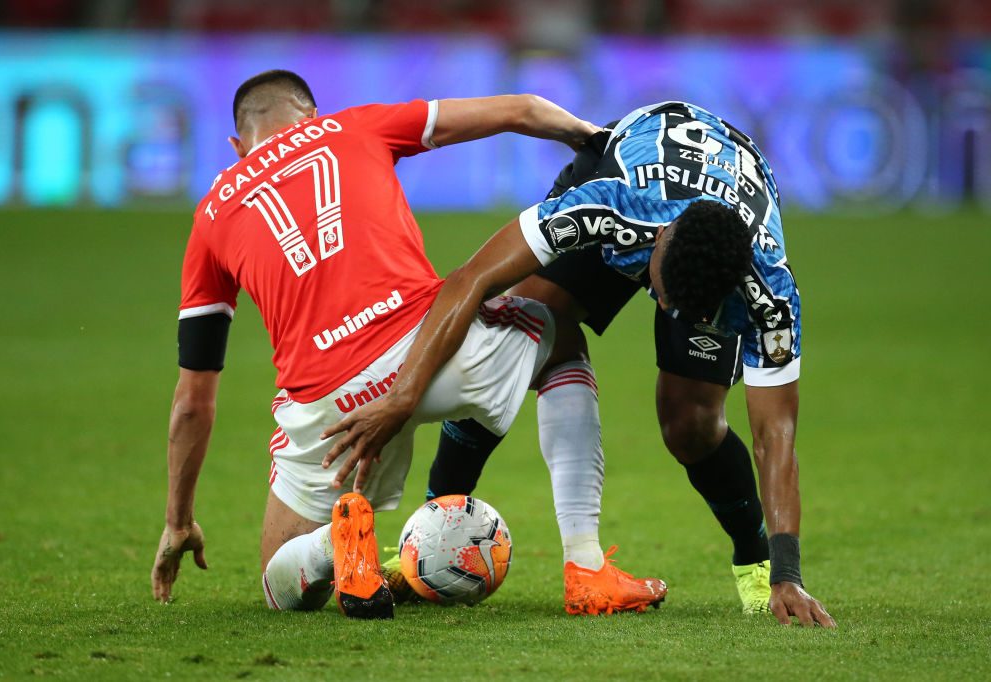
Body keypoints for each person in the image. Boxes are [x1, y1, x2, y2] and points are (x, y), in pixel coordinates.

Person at [149, 69, 665, 619]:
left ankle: (334, 543)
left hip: (329, 409)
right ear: (312, 116)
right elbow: (522, 108)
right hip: (437, 351)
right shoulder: (355, 126)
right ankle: (585, 566)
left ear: (236, 145)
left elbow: (192, 401)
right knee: (561, 339)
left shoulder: (210, 215)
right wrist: (589, 137)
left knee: (282, 584)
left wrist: (178, 520)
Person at [322, 101, 837, 628]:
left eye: (687, 311)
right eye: (664, 294)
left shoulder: (768, 291)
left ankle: (756, 564)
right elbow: (470, 282)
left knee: (691, 425)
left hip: (723, 212)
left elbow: (775, 433)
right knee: (514, 335)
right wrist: (403, 394)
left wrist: (788, 572)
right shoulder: (606, 205)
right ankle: (428, 538)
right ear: (658, 240)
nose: (666, 311)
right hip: (635, 166)